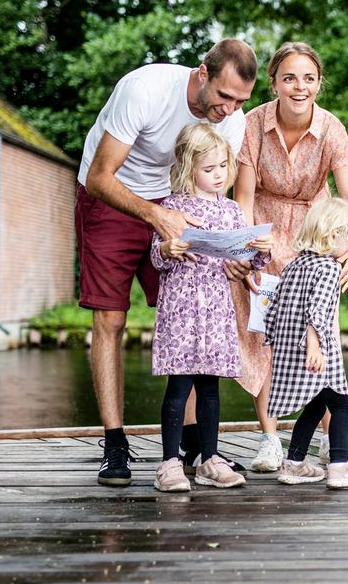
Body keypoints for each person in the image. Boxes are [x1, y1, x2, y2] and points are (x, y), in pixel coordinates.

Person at [76, 39, 257, 486]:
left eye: (241, 101)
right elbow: (101, 177)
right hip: (112, 198)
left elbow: (220, 197)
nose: (231, 109)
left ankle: (196, 446)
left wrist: (236, 254)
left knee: (189, 314)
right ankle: (115, 442)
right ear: (202, 74)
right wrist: (157, 216)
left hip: (180, 204)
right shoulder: (145, 89)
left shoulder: (231, 122)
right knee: (111, 319)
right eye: (224, 96)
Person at [229, 42, 348, 472]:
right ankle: (271, 440)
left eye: (308, 78)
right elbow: (244, 198)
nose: (299, 86)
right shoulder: (252, 124)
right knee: (263, 336)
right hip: (265, 236)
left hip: (317, 237)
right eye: (289, 77)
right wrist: (250, 252)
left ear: (319, 83)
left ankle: (329, 441)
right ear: (273, 82)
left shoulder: (332, 129)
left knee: (319, 333)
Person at [149, 123, 250, 492]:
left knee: (210, 388)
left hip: (216, 311)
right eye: (209, 169)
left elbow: (242, 261)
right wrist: (165, 249)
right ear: (189, 168)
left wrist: (256, 254)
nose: (219, 174)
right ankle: (169, 463)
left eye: (223, 166)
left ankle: (209, 458)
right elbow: (156, 259)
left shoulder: (234, 211)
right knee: (179, 387)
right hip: (182, 309)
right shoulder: (172, 208)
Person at [264, 198, 348, 489]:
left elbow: (274, 307)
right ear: (332, 236)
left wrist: (273, 341)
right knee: (341, 404)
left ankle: (294, 464)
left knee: (316, 404)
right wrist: (315, 347)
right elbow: (317, 310)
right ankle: (340, 468)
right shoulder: (328, 268)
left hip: (289, 348)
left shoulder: (294, 265)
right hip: (316, 350)